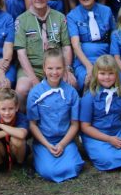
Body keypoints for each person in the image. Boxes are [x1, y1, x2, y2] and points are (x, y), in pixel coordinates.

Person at [14, 0, 76, 107]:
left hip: (56, 67)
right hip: (33, 68)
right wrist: (34, 80)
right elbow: (21, 54)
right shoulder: (21, 20)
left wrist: (67, 69)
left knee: (72, 83)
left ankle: (63, 120)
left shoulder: (59, 17)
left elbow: (66, 47)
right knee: (21, 90)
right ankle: (25, 121)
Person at [26, 48, 83, 183]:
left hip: (65, 140)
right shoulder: (35, 93)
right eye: (50, 68)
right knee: (49, 171)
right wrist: (46, 144)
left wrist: (62, 144)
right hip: (44, 141)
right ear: (44, 68)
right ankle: (40, 159)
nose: (54, 72)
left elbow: (75, 124)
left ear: (64, 68)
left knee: (74, 167)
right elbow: (33, 125)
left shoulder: (71, 92)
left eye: (58, 68)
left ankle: (65, 155)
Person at [79, 55, 121, 171]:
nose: (107, 77)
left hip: (117, 133)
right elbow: (85, 127)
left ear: (116, 74)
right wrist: (108, 139)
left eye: (111, 73)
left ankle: (120, 156)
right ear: (96, 74)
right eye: (102, 73)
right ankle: (99, 153)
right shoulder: (89, 97)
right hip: (97, 136)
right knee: (107, 159)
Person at [67, 0, 116, 91]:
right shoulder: (72, 16)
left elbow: (115, 37)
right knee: (90, 80)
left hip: (105, 57)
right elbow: (75, 45)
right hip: (84, 60)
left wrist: (114, 60)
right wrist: (89, 66)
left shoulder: (106, 11)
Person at [0, 87, 29, 172]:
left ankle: (20, 164)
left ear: (16, 107)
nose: (7, 113)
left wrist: (0, 125)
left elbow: (21, 134)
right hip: (1, 150)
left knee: (17, 139)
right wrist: (8, 132)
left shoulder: (21, 117)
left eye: (11, 108)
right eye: (3, 109)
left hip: (17, 151)